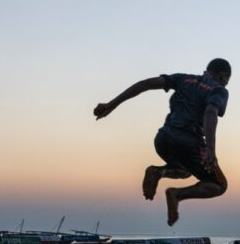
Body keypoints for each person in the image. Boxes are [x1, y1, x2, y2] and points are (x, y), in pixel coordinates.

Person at [94, 58, 232, 226]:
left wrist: (112, 104)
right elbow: (211, 112)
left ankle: (157, 172)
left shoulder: (184, 79)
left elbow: (145, 84)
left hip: (163, 139)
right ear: (222, 76)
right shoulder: (219, 90)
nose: (226, 85)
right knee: (219, 184)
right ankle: (176, 195)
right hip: (189, 144)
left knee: (185, 171)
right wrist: (210, 150)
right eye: (227, 81)